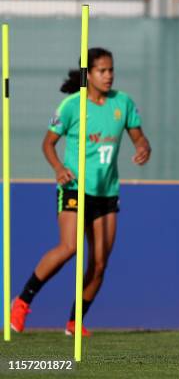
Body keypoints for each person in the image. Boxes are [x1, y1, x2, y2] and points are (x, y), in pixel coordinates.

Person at [10, 48, 151, 337]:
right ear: (89, 74)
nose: (109, 75)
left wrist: (142, 148)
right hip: (75, 188)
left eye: (111, 70)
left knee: (99, 264)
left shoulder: (122, 103)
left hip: (107, 192)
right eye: (102, 70)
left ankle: (75, 321)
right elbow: (48, 144)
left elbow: (139, 137)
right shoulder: (72, 106)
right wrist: (59, 168)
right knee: (69, 247)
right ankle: (22, 302)